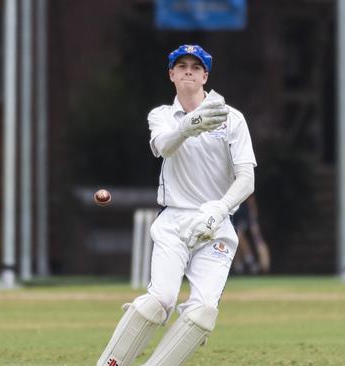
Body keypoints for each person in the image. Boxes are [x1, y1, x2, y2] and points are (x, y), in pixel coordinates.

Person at [97, 44, 257, 366]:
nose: (188, 70)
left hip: (216, 225)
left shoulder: (231, 119)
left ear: (205, 75)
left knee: (202, 314)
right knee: (158, 302)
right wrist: (188, 125)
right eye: (181, 65)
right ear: (171, 74)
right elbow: (163, 147)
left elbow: (246, 179)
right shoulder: (161, 115)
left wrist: (220, 208)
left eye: (195, 67)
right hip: (174, 221)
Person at [231, 195, 271, 274]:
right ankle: (239, 266)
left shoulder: (245, 188)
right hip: (233, 216)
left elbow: (251, 201)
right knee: (234, 239)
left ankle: (251, 261)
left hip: (243, 216)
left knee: (240, 235)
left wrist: (254, 221)